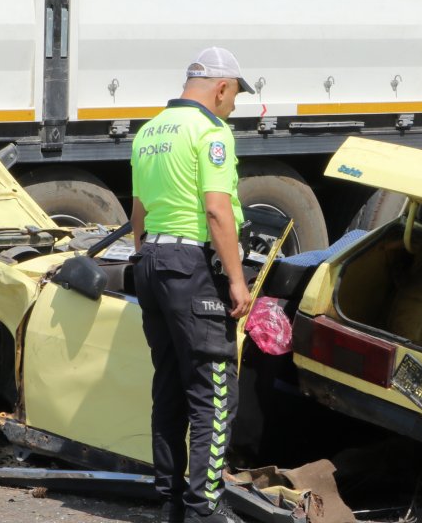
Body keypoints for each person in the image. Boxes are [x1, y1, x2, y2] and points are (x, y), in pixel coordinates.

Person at [130, 47, 255, 523]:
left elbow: (138, 213)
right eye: (235, 96)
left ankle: (170, 504)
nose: (234, 107)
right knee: (215, 386)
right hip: (190, 263)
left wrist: (147, 259)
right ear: (220, 88)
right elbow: (217, 210)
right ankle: (206, 508)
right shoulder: (210, 132)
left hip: (152, 263)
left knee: (169, 383)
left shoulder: (148, 132)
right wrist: (238, 282)